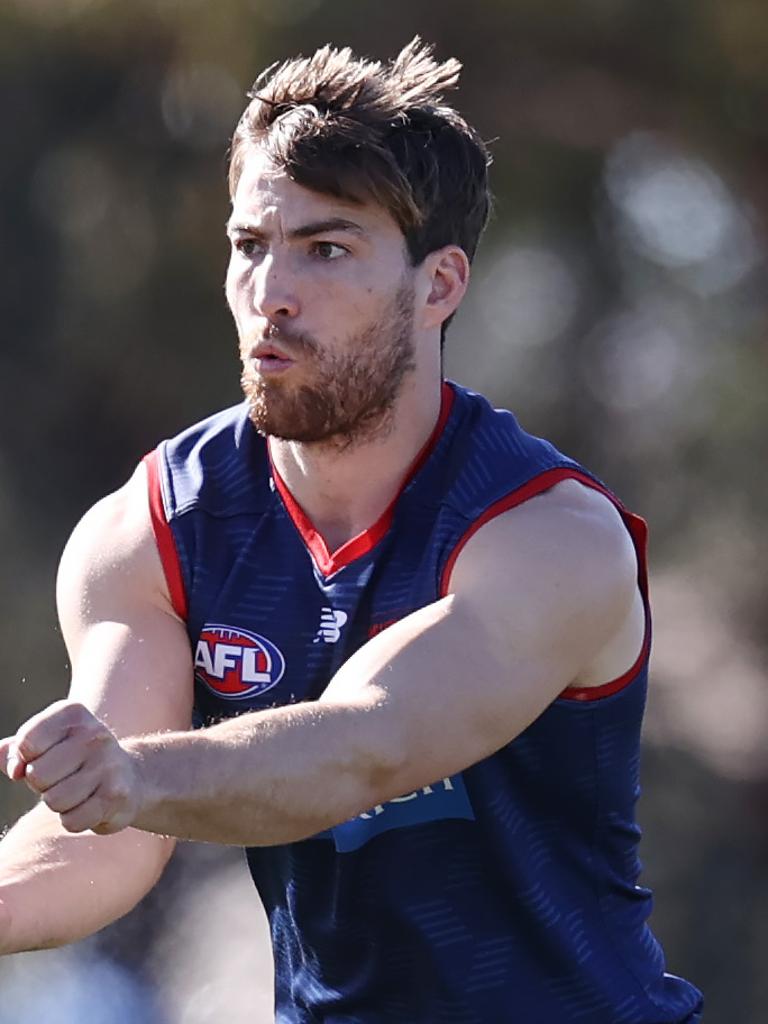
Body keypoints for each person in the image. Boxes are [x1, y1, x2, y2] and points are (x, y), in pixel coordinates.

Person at [0, 38, 703, 1024]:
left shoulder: (548, 536)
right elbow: (101, 833)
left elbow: (362, 749)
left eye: (327, 249)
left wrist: (133, 768)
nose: (272, 292)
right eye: (252, 245)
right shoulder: (154, 526)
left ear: (439, 285)